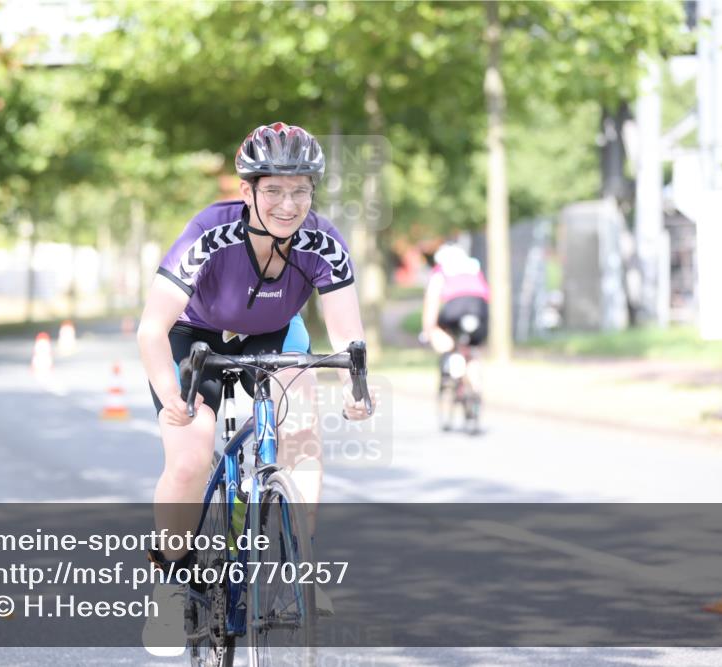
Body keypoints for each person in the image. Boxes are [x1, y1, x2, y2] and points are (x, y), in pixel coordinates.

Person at [136, 122, 373, 655]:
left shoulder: (323, 241)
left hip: (274, 330)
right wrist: (170, 394)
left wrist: (356, 386)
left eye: (300, 190)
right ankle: (171, 582)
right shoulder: (209, 232)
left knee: (304, 434)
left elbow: (346, 333)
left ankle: (299, 565)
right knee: (191, 457)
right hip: (194, 335)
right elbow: (152, 329)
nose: (288, 205)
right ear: (247, 192)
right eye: (273, 191)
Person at [420, 240, 490, 397]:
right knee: (473, 346)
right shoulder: (474, 267)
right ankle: (475, 388)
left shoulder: (441, 270)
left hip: (456, 306)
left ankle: (452, 359)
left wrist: (428, 329)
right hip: (480, 307)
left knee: (439, 331)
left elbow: (432, 299)